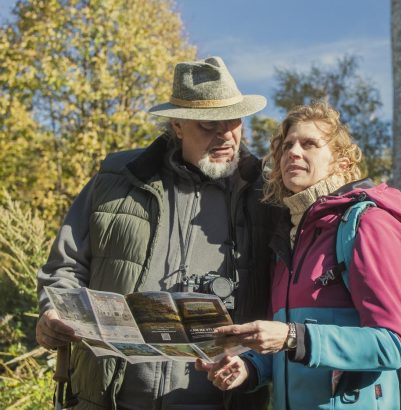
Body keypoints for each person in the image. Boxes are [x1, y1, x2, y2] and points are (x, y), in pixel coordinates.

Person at [36, 57, 277, 410]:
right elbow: (65, 266)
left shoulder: (264, 194)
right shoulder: (116, 180)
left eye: (233, 119)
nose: (225, 134)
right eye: (209, 124)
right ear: (177, 125)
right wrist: (52, 313)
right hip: (110, 398)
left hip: (220, 401)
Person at [199, 101, 401, 409]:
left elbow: (391, 344)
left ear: (341, 162)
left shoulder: (367, 223)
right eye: (286, 146)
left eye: (309, 144)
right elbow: (291, 345)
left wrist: (291, 337)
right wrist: (250, 367)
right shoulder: (289, 237)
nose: (292, 153)